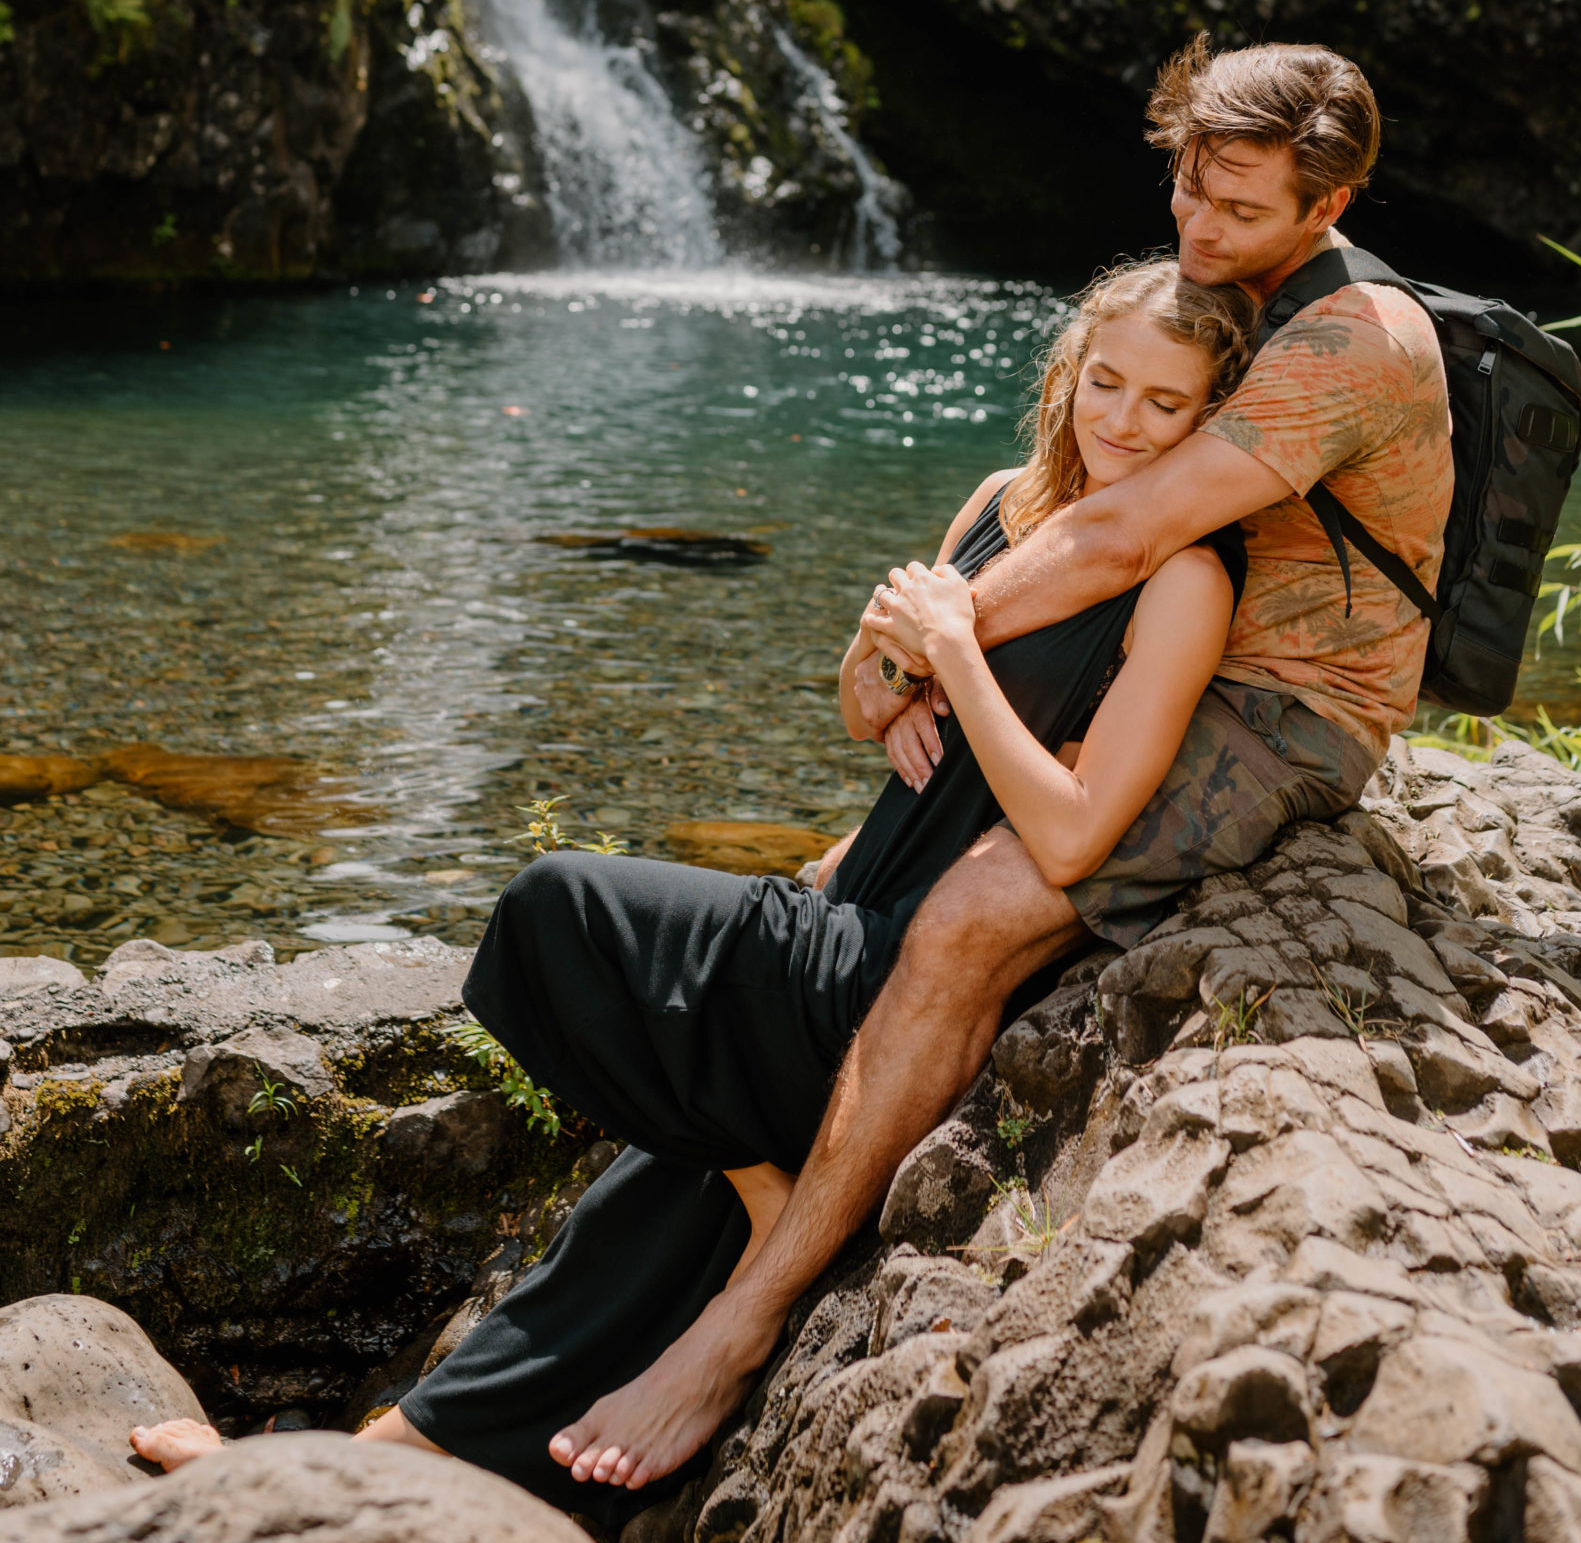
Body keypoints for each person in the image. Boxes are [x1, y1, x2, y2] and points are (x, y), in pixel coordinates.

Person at [130, 255, 1257, 1510]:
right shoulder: (1003, 502)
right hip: (842, 902)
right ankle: (386, 1458)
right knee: (641, 1216)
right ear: (1067, 373)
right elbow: (855, 699)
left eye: (1166, 403)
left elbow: (1071, 832)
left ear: (1216, 421)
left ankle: (754, 1206)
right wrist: (884, 678)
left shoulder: (1183, 581)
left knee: (557, 908)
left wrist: (953, 653)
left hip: (884, 969)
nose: (1122, 419)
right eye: (1105, 380)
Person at [545, 33, 1452, 1496]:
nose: (1194, 233)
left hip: (1282, 710)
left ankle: (747, 1318)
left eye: (1234, 212)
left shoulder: (1353, 342)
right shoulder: (1233, 294)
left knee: (969, 914)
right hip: (1169, 648)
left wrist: (920, 639)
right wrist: (896, 653)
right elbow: (1090, 508)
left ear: (1329, 199)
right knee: (850, 867)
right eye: (1183, 192)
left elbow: (1118, 535)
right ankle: (756, 1143)